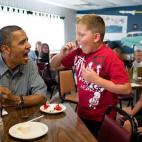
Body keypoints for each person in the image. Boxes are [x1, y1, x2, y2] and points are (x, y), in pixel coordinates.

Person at [50, 14, 132, 137]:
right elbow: (54, 65)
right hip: (82, 112)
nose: (77, 39)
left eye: (81, 35)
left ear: (96, 37)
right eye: (77, 34)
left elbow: (126, 88)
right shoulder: (79, 53)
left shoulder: (110, 57)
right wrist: (62, 54)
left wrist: (97, 80)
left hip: (102, 118)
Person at [0, 25, 47, 108]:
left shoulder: (30, 64)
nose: (29, 45)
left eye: (27, 40)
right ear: (6, 49)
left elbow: (42, 96)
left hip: (26, 118)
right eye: (22, 42)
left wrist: (14, 100)